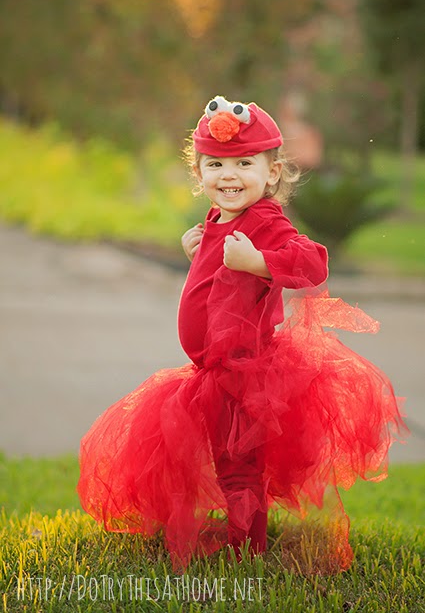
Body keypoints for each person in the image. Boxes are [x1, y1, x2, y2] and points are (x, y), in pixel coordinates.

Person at [77, 96, 406, 574]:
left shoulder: (266, 221)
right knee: (219, 458)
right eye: (215, 164)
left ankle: (246, 551)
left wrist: (259, 261)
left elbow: (313, 262)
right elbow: (219, 284)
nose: (228, 175)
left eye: (244, 164)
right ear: (200, 173)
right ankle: (236, 531)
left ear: (271, 174)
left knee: (239, 466)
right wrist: (198, 250)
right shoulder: (217, 217)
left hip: (245, 370)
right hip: (210, 370)